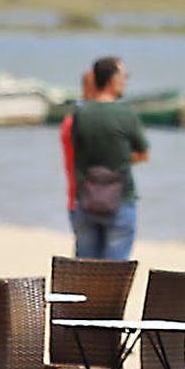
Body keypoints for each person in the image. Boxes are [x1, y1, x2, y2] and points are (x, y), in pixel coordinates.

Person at [68, 56, 148, 260]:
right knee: (115, 274)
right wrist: (123, 160)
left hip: (86, 197)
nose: (126, 80)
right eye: (124, 76)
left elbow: (76, 150)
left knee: (85, 271)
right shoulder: (125, 113)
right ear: (113, 79)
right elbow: (143, 153)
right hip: (120, 198)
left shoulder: (80, 114)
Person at [59, 68, 96, 240]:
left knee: (84, 260)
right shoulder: (77, 122)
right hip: (87, 199)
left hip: (79, 198)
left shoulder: (71, 121)